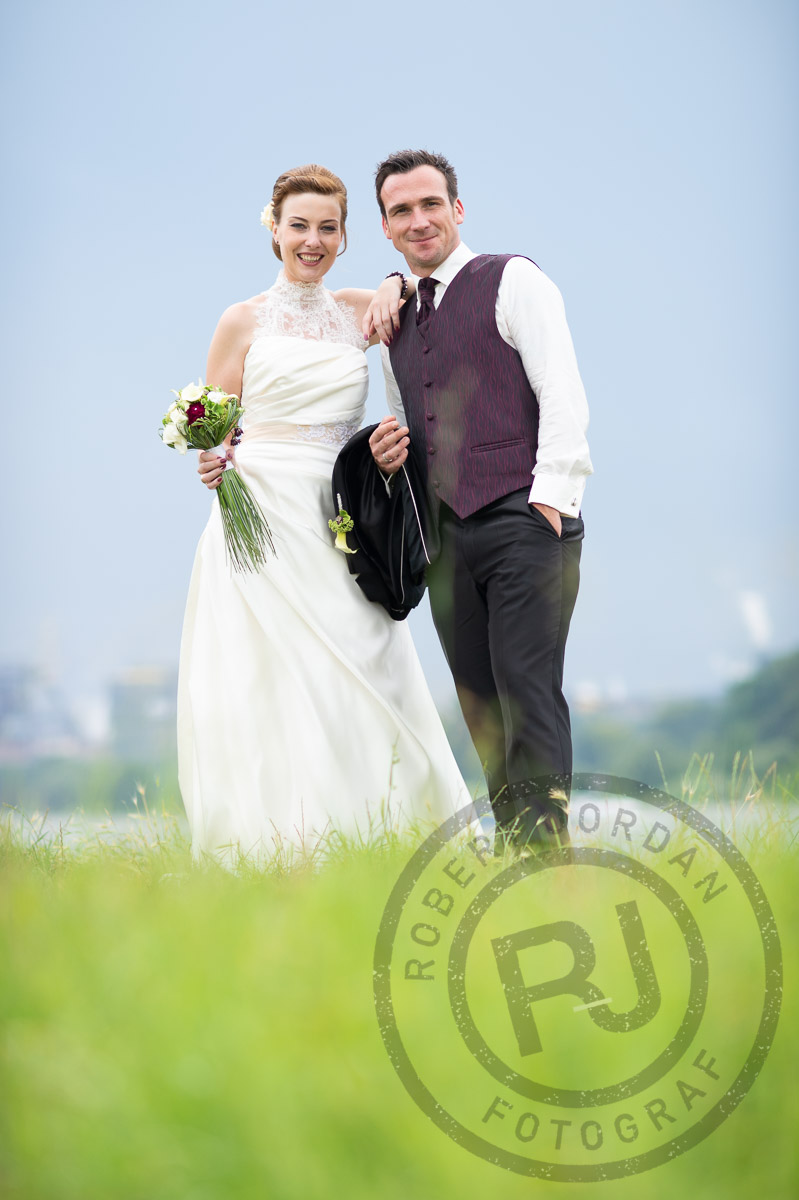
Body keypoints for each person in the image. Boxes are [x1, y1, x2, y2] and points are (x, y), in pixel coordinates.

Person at [182, 163, 470, 867]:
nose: (312, 240)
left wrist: (394, 283)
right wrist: (210, 456)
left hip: (340, 514)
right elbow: (214, 422)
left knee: (364, 658)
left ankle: (387, 826)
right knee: (268, 674)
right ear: (274, 231)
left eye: (328, 228)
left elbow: (420, 292)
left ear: (345, 237)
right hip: (261, 514)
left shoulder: (356, 310)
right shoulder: (242, 320)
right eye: (299, 226)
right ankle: (277, 841)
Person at [365, 149, 593, 851]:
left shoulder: (514, 279)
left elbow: (561, 391)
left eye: (431, 204)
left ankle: (546, 842)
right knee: (477, 697)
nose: (419, 220)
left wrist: (551, 501)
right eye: (401, 210)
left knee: (526, 681)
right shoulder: (395, 319)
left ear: (457, 209)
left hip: (526, 516)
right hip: (444, 535)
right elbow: (412, 416)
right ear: (385, 227)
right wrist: (390, 455)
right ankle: (515, 842)